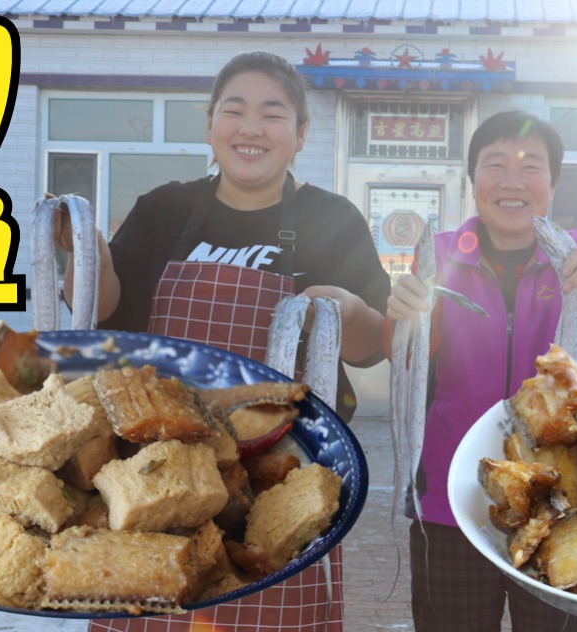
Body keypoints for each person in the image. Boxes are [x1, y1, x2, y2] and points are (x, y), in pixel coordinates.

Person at [56, 51, 390, 632]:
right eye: (233, 111)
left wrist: (346, 310)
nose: (251, 128)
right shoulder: (163, 209)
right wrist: (85, 254)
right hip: (160, 473)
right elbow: (103, 311)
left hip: (280, 480)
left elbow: (369, 344)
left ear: (301, 134)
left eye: (273, 113)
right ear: (210, 125)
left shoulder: (333, 219)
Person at [385, 110, 577, 632]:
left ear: (552, 185)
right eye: (495, 164)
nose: (512, 180)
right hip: (452, 498)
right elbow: (403, 358)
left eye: (531, 166)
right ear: (473, 182)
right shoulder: (437, 257)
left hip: (565, 499)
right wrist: (401, 314)